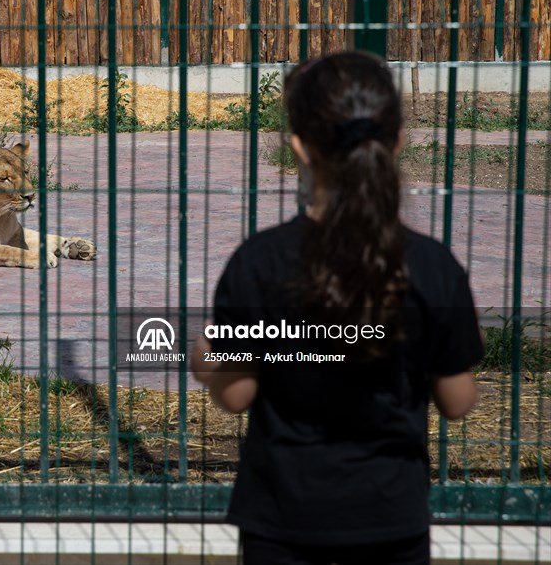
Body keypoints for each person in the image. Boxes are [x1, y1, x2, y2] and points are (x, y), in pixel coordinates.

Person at [193, 51, 483, 565]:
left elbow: (235, 395)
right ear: (395, 142)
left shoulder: (258, 263)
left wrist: (206, 359)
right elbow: (457, 402)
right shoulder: (434, 267)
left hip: (282, 523)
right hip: (391, 519)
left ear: (300, 148)